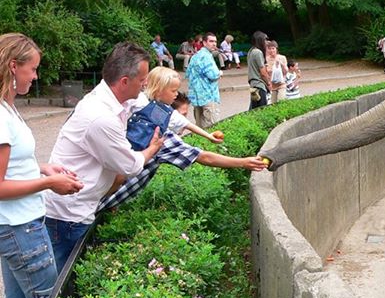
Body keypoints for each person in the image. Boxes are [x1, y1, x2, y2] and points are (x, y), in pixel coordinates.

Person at [0, 34, 84, 298]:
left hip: (15, 225)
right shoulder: (1, 116)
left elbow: (13, 167)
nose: (35, 77)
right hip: (21, 228)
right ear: (12, 66)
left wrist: (43, 168)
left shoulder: (8, 108)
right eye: (32, 69)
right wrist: (50, 183)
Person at [44, 42, 164, 272]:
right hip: (69, 216)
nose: (146, 84)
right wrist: (153, 148)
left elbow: (141, 102)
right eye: (142, 79)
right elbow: (130, 165)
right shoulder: (100, 117)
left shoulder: (109, 98)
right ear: (124, 82)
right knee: (57, 290)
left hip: (73, 210)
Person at [95, 68, 267, 215]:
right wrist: (243, 162)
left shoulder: (134, 115)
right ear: (157, 90)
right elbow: (203, 157)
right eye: (173, 91)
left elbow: (185, 123)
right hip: (95, 204)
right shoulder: (159, 136)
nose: (176, 94)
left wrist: (207, 136)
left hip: (96, 192)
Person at [185, 32, 223, 128]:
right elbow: (213, 75)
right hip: (208, 96)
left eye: (215, 41)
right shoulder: (207, 56)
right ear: (204, 43)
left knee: (200, 129)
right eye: (211, 41)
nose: (214, 44)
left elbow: (188, 74)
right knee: (212, 128)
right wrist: (220, 73)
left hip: (196, 97)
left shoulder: (195, 56)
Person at [247, 31, 270, 110]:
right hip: (259, 85)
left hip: (253, 85)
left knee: (253, 110)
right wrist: (269, 83)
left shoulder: (251, 51)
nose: (267, 42)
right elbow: (263, 72)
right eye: (265, 40)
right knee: (262, 110)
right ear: (260, 40)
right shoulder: (258, 52)